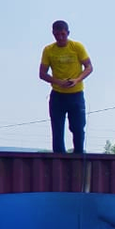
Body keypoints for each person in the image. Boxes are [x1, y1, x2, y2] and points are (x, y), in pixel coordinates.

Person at [39, 20, 93, 154]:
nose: (60, 37)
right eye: (57, 35)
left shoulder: (77, 47)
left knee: (78, 127)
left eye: (63, 34)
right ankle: (59, 158)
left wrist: (77, 79)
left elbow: (89, 67)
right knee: (57, 128)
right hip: (58, 94)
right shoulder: (48, 50)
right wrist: (57, 81)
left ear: (68, 33)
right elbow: (42, 73)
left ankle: (79, 155)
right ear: (53, 34)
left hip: (76, 94)